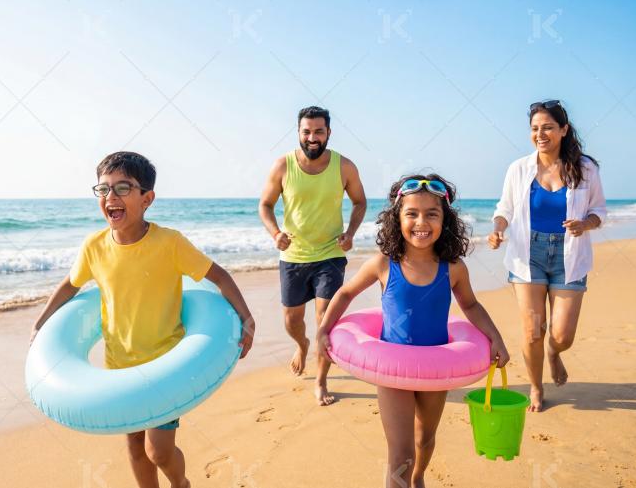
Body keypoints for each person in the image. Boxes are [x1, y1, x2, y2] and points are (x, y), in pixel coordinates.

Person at [30, 151, 255, 488]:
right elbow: (70, 285)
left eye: (123, 188)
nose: (111, 197)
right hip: (119, 364)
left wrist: (246, 317)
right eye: (103, 189)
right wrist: (40, 323)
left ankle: (180, 483)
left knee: (159, 451)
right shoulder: (94, 247)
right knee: (135, 447)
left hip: (166, 365)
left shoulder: (169, 243)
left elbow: (218, 276)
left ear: (147, 198)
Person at [316, 174, 509, 488]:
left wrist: (495, 337)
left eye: (432, 214)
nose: (422, 222)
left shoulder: (454, 268)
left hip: (435, 367)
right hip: (393, 370)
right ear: (397, 218)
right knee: (401, 451)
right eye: (412, 213)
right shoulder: (384, 263)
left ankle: (418, 477)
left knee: (425, 439)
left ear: (445, 219)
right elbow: (346, 292)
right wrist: (324, 328)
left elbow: (471, 306)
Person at [488, 100, 606, 412]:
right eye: (535, 128)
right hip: (528, 255)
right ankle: (536, 387)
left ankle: (555, 353)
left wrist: (585, 224)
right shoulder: (519, 169)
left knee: (561, 335)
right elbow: (505, 209)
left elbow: (598, 211)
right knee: (532, 330)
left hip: (570, 255)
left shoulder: (586, 168)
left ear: (564, 130)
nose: (541, 134)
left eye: (548, 127)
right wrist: (498, 229)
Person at [258, 105, 367, 406]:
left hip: (330, 254)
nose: (313, 137)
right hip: (293, 256)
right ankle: (302, 345)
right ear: (299, 133)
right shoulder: (283, 166)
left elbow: (359, 202)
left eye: (319, 131)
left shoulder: (344, 167)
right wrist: (276, 234)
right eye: (307, 131)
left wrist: (350, 233)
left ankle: (320, 381)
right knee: (292, 320)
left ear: (328, 133)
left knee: (324, 319)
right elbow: (265, 205)